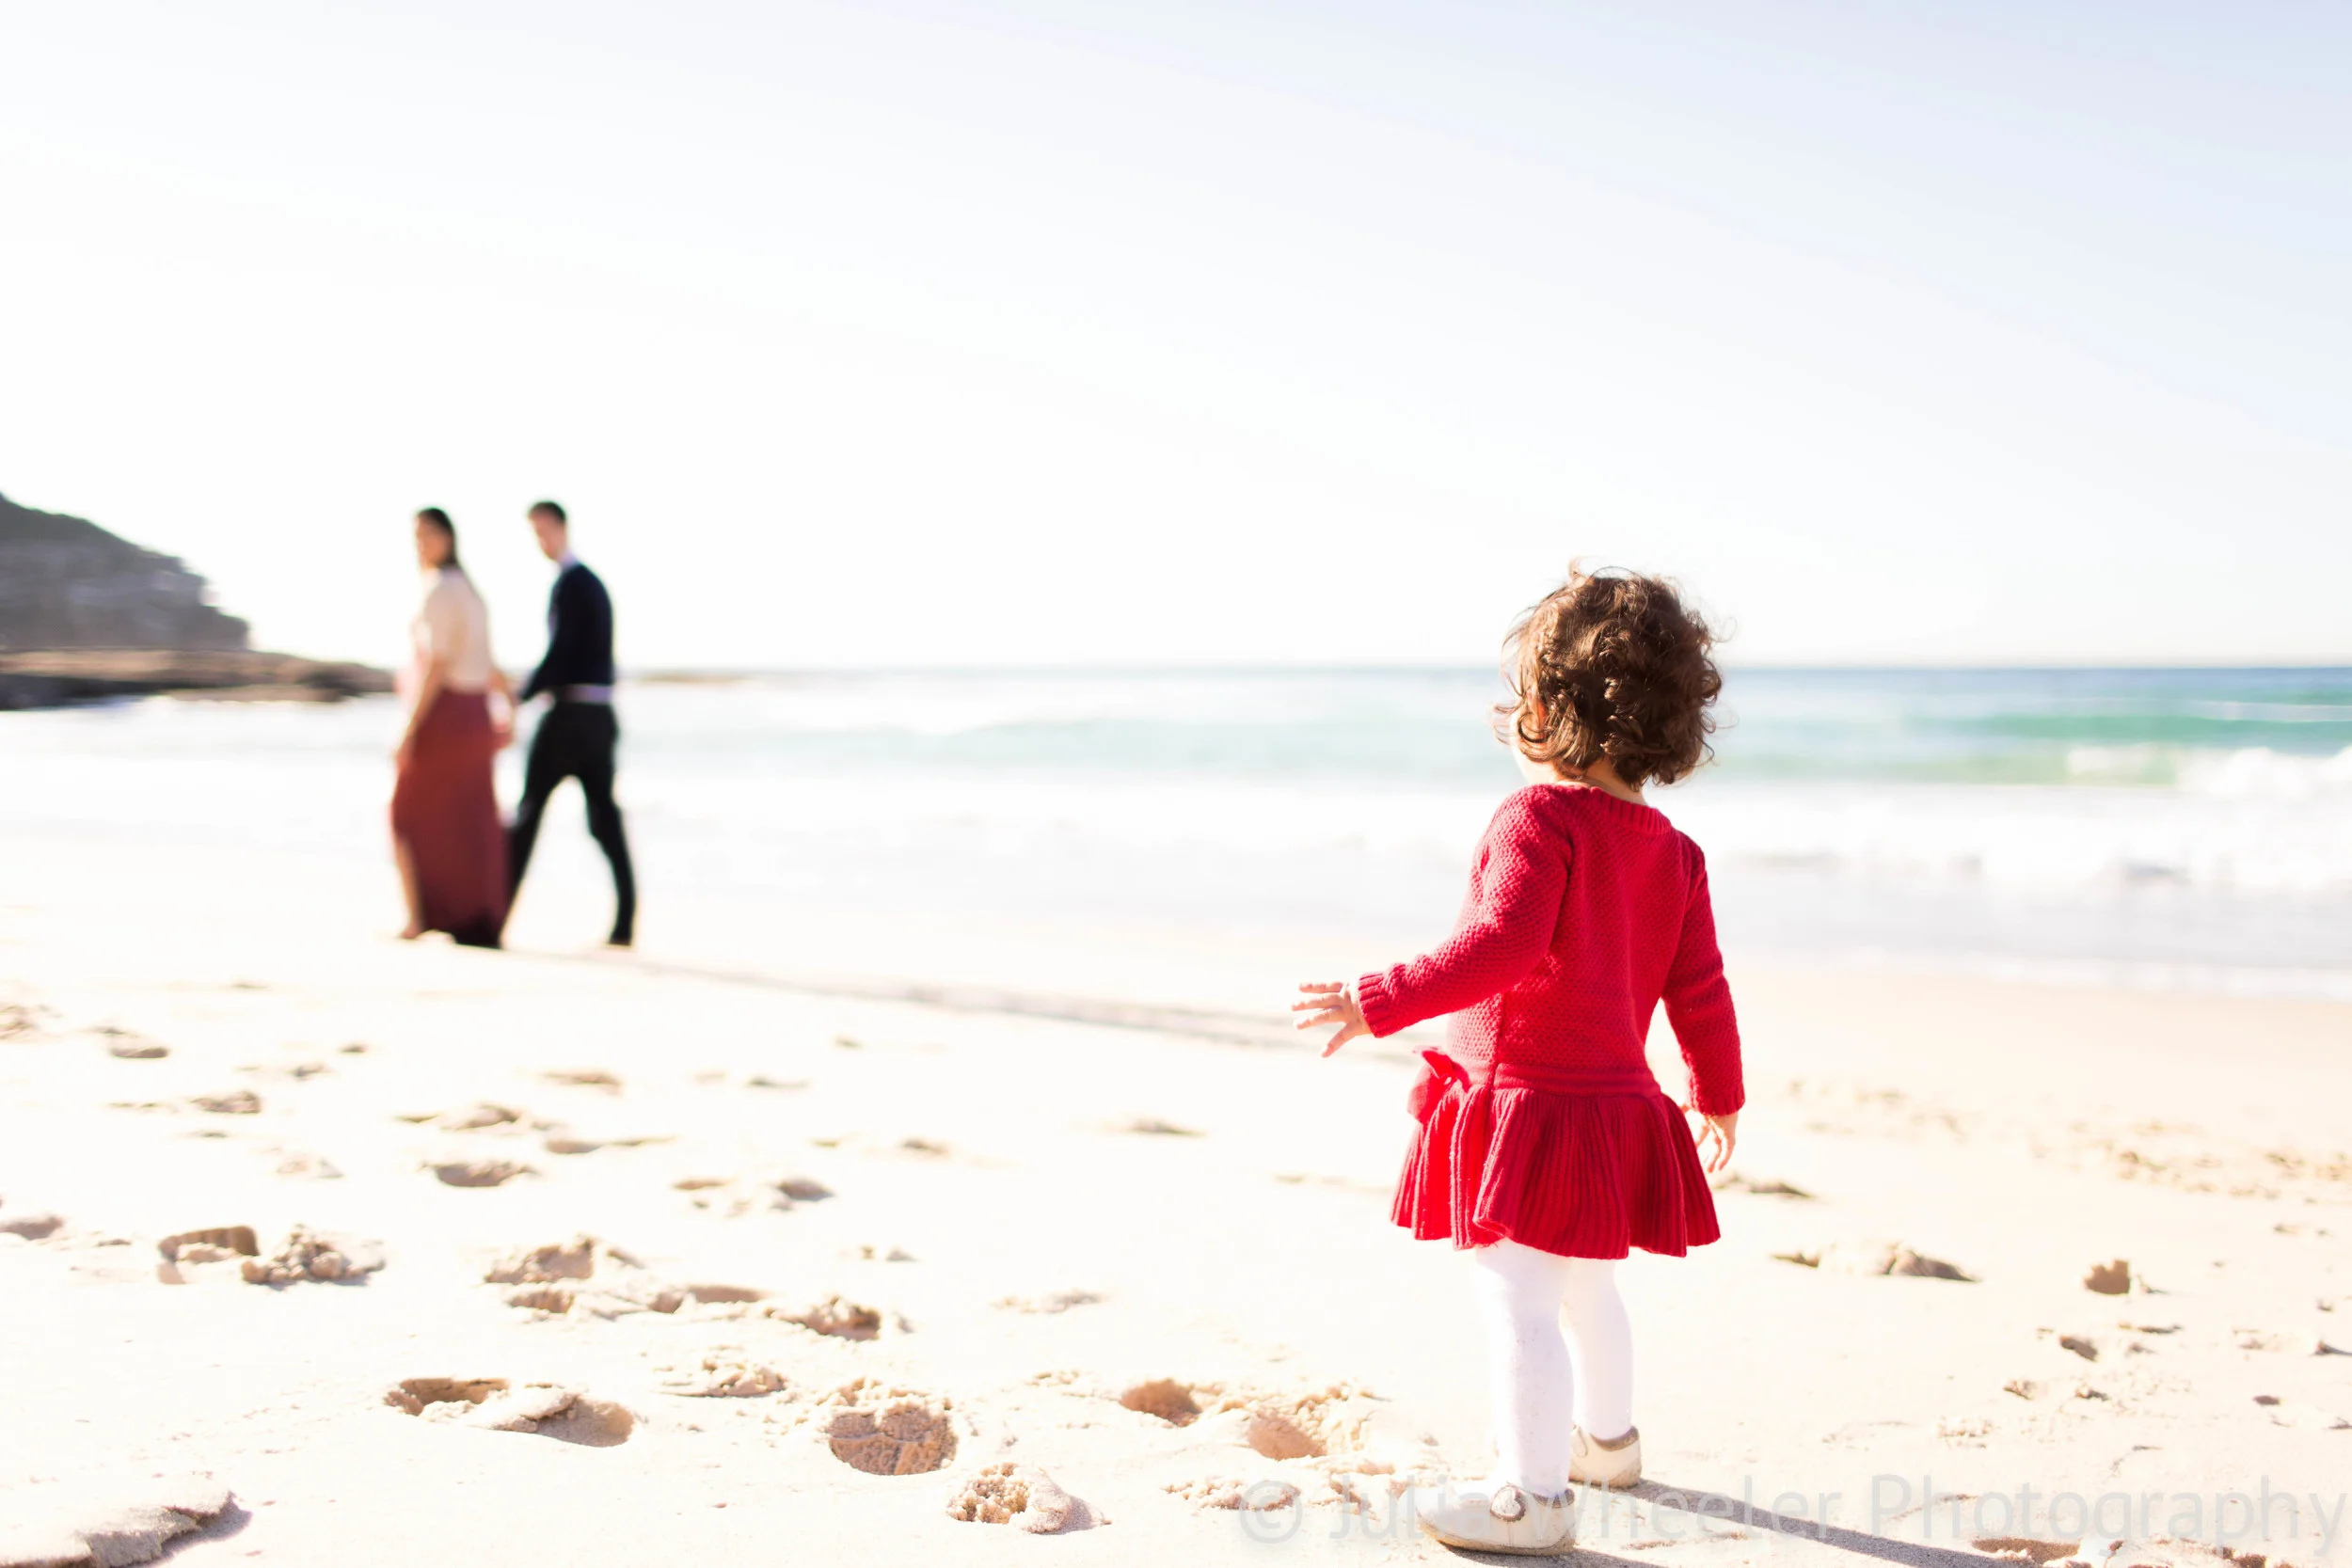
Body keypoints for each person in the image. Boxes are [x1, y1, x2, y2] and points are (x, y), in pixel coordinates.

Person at [1293, 567, 1742, 1556]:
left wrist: (1378, 999)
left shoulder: (1537, 818)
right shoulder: (1674, 852)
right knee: (1588, 1289)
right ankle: (1609, 1446)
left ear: (1540, 710)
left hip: (1530, 1108)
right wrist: (1719, 1095)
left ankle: (1529, 1496)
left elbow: (1500, 945)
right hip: (1613, 1107)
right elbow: (1700, 988)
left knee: (1516, 1297)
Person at [506, 499, 637, 947]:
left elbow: (561, 654)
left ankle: (494, 918)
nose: (540, 542)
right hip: (599, 718)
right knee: (603, 819)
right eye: (535, 534)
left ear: (561, 528)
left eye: (544, 531)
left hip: (571, 718)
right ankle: (626, 922)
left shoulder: (573, 584)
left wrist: (520, 695)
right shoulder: (588, 584)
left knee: (530, 815)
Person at [390, 508, 514, 948]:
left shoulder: (442, 588)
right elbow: (490, 665)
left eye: (428, 534)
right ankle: (475, 916)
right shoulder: (471, 591)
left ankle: (418, 918)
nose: (420, 544)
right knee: (470, 818)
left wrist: (408, 729)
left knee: (406, 813)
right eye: (416, 535)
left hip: (449, 715)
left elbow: (438, 664)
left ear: (448, 537)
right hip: (476, 714)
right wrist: (509, 711)